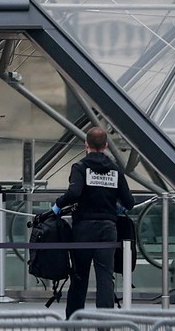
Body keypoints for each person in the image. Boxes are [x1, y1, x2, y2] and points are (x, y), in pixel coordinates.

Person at [54, 126, 134, 319]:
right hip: (108, 229)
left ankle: (74, 322)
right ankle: (105, 323)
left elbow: (74, 193)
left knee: (79, 276)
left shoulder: (80, 167)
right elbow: (129, 202)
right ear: (106, 145)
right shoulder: (115, 170)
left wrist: (57, 205)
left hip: (83, 228)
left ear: (86, 145)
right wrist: (116, 207)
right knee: (105, 277)